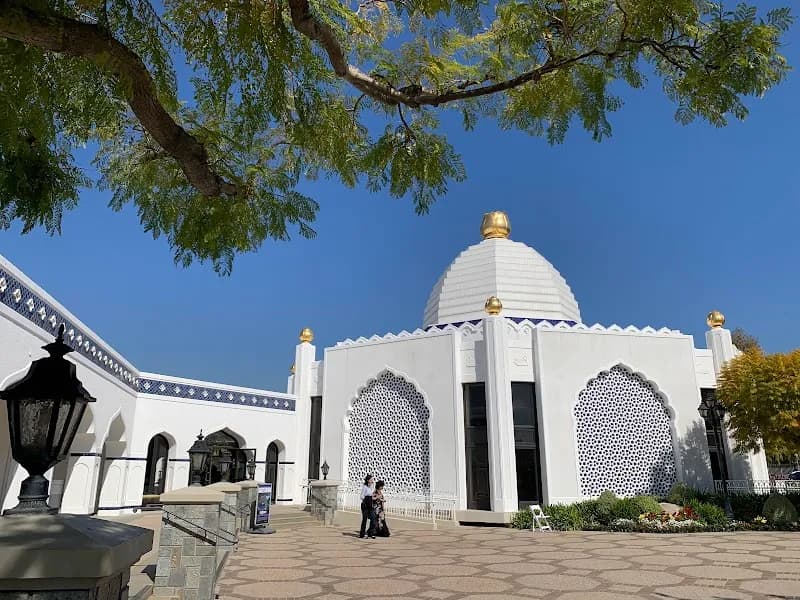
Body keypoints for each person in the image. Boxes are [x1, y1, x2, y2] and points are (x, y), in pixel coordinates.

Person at [358, 474, 376, 538]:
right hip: (365, 505)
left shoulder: (371, 487)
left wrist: (374, 498)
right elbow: (361, 496)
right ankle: (362, 534)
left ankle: (370, 533)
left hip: (370, 505)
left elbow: (371, 496)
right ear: (368, 480)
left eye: (372, 480)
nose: (372, 481)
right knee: (364, 519)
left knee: (373, 518)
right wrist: (367, 499)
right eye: (371, 479)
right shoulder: (364, 487)